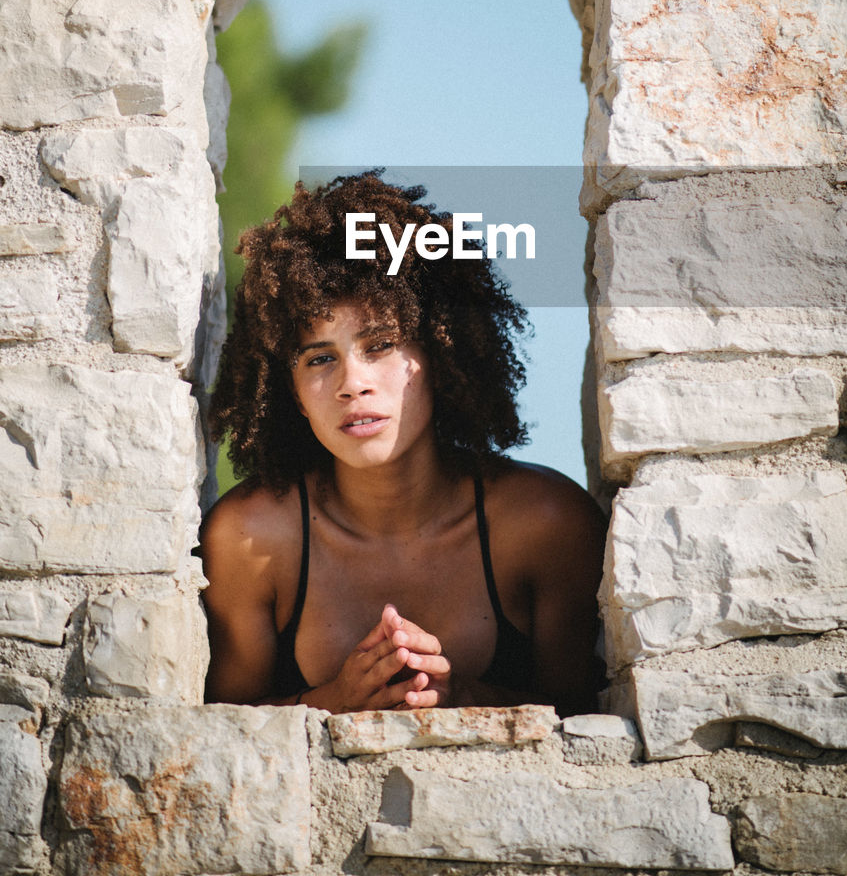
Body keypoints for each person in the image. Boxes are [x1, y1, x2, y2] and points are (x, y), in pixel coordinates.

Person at [201, 172, 606, 716]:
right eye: (320, 358)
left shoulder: (546, 524)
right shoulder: (250, 541)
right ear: (293, 395)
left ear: (441, 355)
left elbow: (591, 719)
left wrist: (464, 697)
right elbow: (217, 728)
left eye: (381, 344)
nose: (352, 382)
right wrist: (331, 701)